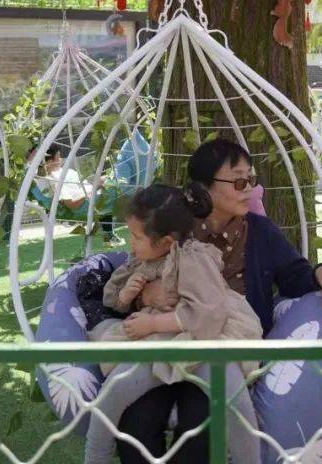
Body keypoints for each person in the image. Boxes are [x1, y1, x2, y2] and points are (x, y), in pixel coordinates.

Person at [114, 138, 322, 464]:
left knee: (201, 425)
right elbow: (137, 270)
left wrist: (319, 272)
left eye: (251, 180)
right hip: (166, 341)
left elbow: (294, 275)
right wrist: (144, 295)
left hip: (221, 352)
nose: (249, 189)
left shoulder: (260, 232)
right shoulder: (177, 229)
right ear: (204, 188)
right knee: (136, 422)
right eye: (239, 182)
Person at [84, 184, 263, 464]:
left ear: (166, 241)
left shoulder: (194, 258)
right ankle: (95, 457)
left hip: (208, 340)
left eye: (136, 237)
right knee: (114, 392)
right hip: (161, 342)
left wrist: (155, 323)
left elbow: (208, 315)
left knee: (234, 400)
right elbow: (113, 299)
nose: (131, 243)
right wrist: (128, 295)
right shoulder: (143, 258)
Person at [30, 143, 124, 246]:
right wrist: (94, 188)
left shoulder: (59, 173)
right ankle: (110, 234)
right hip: (82, 204)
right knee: (113, 188)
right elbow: (72, 205)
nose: (61, 160)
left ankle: (109, 235)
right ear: (49, 162)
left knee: (111, 180)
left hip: (87, 194)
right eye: (58, 157)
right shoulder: (56, 180)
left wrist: (96, 183)